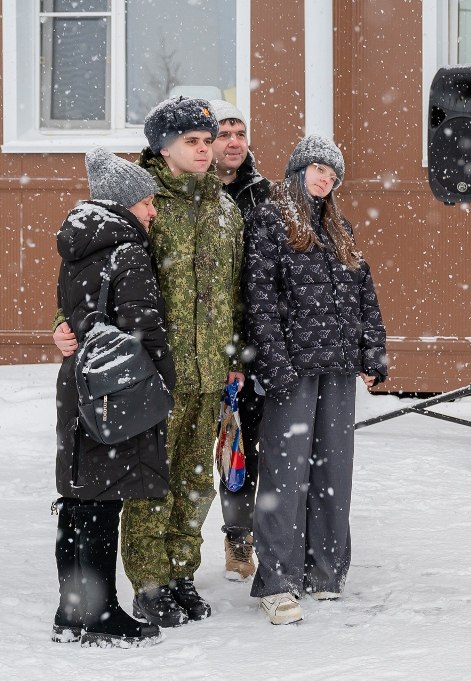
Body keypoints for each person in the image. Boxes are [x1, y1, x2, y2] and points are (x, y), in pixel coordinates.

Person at [245, 135, 388, 625]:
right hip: (294, 369)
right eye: (318, 169)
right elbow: (260, 299)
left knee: (332, 470)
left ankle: (325, 571)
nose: (325, 179)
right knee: (285, 475)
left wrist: (372, 352)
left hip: (338, 369)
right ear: (297, 170)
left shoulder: (340, 229)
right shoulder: (270, 220)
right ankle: (277, 581)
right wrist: (274, 364)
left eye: (333, 174)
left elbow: (365, 294)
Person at [117, 96, 246, 627]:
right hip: (156, 372)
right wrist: (64, 320)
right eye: (191, 141)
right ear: (163, 148)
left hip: (209, 371)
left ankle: (179, 574)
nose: (204, 149)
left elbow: (236, 293)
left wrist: (236, 356)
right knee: (152, 479)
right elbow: (99, 271)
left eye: (207, 140)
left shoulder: (224, 209)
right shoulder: (142, 202)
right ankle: (149, 583)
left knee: (196, 483)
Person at [53, 147, 172, 647]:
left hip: (78, 384)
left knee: (78, 499)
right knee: (103, 503)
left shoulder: (78, 246)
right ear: (124, 205)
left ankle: (71, 611)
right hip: (115, 388)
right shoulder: (127, 250)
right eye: (146, 203)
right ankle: (101, 617)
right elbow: (144, 329)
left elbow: (71, 315)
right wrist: (162, 384)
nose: (152, 212)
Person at [209, 99, 273, 581]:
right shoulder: (186, 193)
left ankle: (240, 539)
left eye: (240, 133)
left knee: (242, 447)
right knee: (197, 454)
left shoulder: (264, 194)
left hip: (250, 344)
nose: (234, 142)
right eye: (223, 133)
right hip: (198, 342)